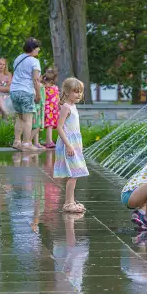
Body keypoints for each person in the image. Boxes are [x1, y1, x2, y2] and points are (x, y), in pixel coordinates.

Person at [54, 77, 89, 213]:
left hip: (74, 144)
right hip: (68, 143)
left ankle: (71, 201)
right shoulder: (66, 107)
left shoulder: (73, 106)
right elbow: (59, 127)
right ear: (67, 92)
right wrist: (68, 145)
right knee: (73, 175)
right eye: (76, 92)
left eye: (80, 92)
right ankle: (68, 203)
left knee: (74, 174)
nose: (79, 94)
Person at [10, 37, 42, 151]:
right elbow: (36, 80)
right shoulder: (34, 61)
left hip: (14, 91)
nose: (38, 50)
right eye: (38, 48)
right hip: (26, 91)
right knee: (28, 119)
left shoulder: (18, 58)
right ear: (33, 48)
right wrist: (38, 95)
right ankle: (27, 144)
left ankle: (17, 141)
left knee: (20, 117)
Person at [31, 69, 48, 150]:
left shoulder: (39, 85)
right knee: (36, 126)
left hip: (40, 108)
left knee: (36, 126)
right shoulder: (38, 85)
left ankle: (36, 143)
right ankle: (28, 141)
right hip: (37, 108)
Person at [43, 68, 60, 149]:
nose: (47, 84)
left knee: (50, 126)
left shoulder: (48, 88)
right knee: (50, 126)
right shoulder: (52, 88)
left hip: (52, 110)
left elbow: (57, 98)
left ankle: (48, 141)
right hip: (50, 110)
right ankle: (49, 142)